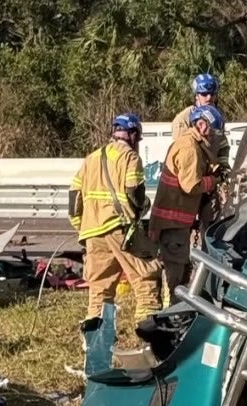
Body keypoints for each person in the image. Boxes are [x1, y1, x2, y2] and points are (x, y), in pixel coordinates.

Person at [68, 113, 162, 332]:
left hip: (92, 231)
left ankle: (95, 340)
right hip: (120, 228)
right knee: (145, 276)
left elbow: (74, 197)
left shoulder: (91, 158)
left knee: (99, 289)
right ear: (133, 135)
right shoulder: (130, 157)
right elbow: (133, 191)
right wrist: (141, 207)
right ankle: (149, 335)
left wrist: (81, 225)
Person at [151, 104, 224, 301]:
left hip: (175, 223)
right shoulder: (189, 148)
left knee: (180, 272)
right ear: (201, 125)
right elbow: (191, 186)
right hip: (172, 224)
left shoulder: (189, 143)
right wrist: (214, 181)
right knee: (176, 277)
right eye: (212, 131)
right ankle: (174, 316)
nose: (213, 137)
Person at [172, 73, 231, 244]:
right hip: (189, 180)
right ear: (196, 95)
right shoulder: (182, 119)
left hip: (209, 182)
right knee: (183, 228)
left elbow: (222, 145)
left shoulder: (217, 116)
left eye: (212, 94)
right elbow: (183, 153)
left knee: (211, 225)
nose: (209, 97)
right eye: (205, 94)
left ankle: (207, 261)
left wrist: (222, 169)